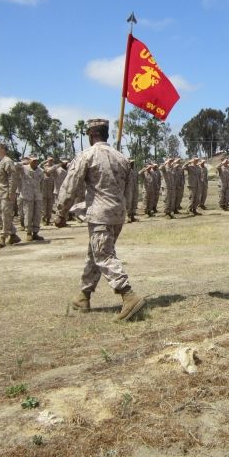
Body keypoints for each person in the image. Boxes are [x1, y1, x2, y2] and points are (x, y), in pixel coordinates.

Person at [55, 118, 147, 321]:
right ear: (106, 134)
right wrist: (128, 210)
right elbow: (130, 190)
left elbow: (70, 185)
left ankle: (128, 295)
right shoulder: (121, 158)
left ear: (91, 135)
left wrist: (61, 212)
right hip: (118, 213)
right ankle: (84, 295)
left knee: (104, 256)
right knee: (95, 252)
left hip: (100, 214)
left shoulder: (87, 155)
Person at [0, 143, 21, 247]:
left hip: (6, 193)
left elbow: (12, 178)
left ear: (3, 149)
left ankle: (3, 237)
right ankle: (13, 234)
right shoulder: (0, 162)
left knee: (5, 215)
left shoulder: (8, 161)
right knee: (1, 215)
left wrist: (12, 192)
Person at [16, 155, 44, 242]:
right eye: (33, 161)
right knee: (28, 214)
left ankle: (35, 233)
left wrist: (40, 194)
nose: (35, 162)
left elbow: (42, 184)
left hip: (37, 195)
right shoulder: (23, 168)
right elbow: (14, 165)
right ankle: (28, 233)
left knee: (37, 215)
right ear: (30, 161)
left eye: (36, 161)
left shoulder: (40, 171)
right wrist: (23, 162)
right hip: (27, 195)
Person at [41, 159, 56, 225]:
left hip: (50, 195)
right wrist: (45, 161)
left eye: (49, 167)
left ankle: (48, 220)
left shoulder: (53, 177)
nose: (48, 168)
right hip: (43, 195)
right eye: (46, 166)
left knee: (50, 208)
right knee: (44, 208)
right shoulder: (41, 176)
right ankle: (43, 219)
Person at [127, 159, 139, 223]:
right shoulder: (126, 170)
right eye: (131, 162)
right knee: (129, 202)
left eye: (133, 163)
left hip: (135, 188)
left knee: (134, 202)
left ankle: (132, 216)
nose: (132, 164)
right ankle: (128, 217)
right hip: (129, 189)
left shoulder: (135, 171)